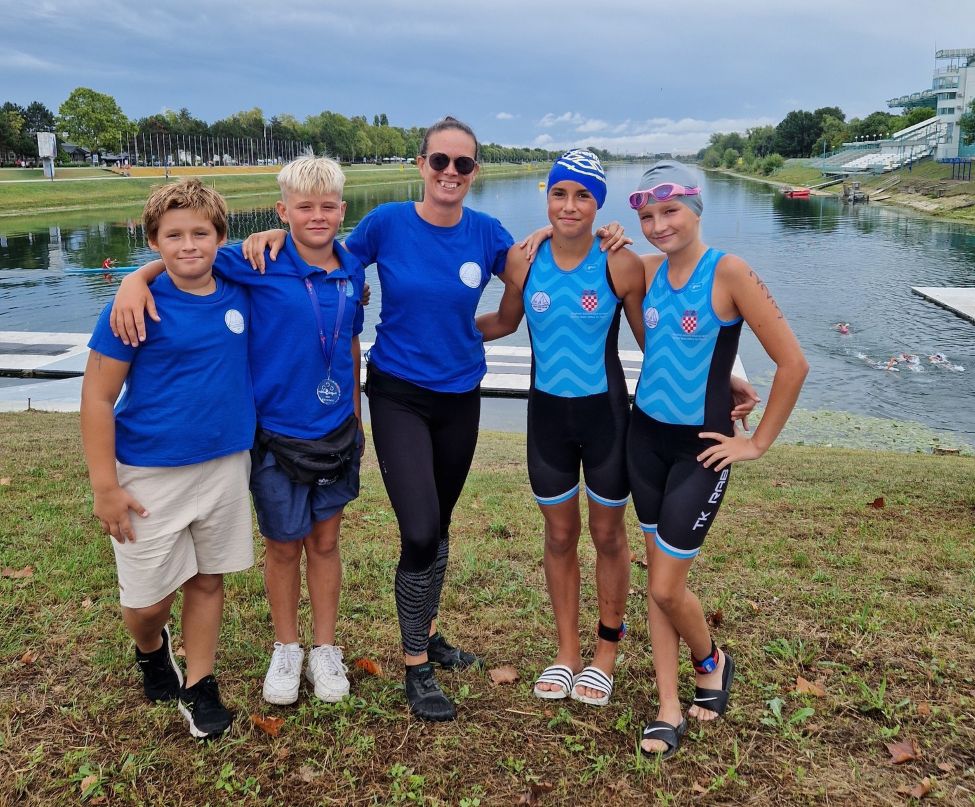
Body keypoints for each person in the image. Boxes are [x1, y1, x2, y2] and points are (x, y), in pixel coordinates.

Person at [109, 157, 367, 708]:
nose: (317, 215)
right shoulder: (258, 259)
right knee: (282, 546)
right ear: (283, 211)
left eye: (327, 206)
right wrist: (135, 278)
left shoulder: (353, 269)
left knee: (325, 543)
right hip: (273, 434)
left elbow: (348, 345)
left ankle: (325, 647)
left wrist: (357, 417)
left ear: (342, 210)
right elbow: (185, 256)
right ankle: (287, 645)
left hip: (336, 431)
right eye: (304, 207)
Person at [625, 161, 808, 759]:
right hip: (643, 439)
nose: (657, 225)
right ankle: (670, 705)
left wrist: (755, 443)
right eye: (647, 215)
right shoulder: (646, 271)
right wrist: (553, 232)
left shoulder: (727, 271)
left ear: (696, 209)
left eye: (669, 211)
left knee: (665, 584)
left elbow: (792, 363)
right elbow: (669, 343)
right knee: (658, 584)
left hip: (702, 449)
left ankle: (711, 660)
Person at [81, 178, 255, 740]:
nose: (188, 245)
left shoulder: (235, 284)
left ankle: (199, 683)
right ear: (153, 241)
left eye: (200, 233)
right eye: (172, 235)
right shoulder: (137, 305)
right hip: (149, 472)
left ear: (220, 237)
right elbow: (98, 397)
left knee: (207, 580)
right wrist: (105, 485)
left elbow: (281, 248)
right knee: (148, 601)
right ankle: (150, 649)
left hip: (225, 465)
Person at [476, 150, 645, 707]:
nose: (570, 205)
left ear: (599, 203)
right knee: (558, 535)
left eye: (582, 196)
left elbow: (654, 343)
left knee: (606, 535)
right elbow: (504, 321)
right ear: (546, 197)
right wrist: (432, 331)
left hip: (607, 418)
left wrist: (719, 384)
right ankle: (568, 653)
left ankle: (605, 653)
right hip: (546, 417)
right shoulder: (526, 260)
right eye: (559, 194)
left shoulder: (621, 264)